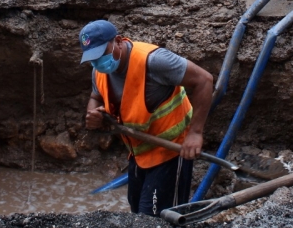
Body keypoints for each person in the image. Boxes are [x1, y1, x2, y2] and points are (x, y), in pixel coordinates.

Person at [80, 20, 213, 217]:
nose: (98, 62)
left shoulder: (154, 61)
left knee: (156, 219)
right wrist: (93, 114)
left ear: (117, 41)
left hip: (171, 151)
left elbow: (204, 80)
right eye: (93, 59)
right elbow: (95, 96)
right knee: (137, 216)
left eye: (101, 54)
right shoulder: (99, 70)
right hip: (139, 153)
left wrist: (195, 133)